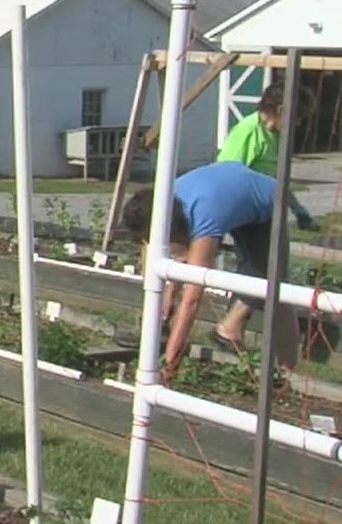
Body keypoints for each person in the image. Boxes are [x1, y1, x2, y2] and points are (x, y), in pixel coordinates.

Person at [120, 161, 303, 379]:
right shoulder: (165, 202)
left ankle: (287, 374)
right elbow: (181, 257)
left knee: (277, 290)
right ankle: (235, 338)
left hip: (266, 200)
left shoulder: (203, 219)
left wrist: (169, 364)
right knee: (190, 261)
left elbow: (192, 300)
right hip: (229, 189)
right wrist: (168, 295)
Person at [217, 81, 317, 230]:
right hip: (243, 212)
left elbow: (276, 181)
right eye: (298, 118)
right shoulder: (249, 131)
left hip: (262, 211)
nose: (298, 123)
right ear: (281, 111)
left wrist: (298, 210)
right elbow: (225, 176)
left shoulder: (275, 135)